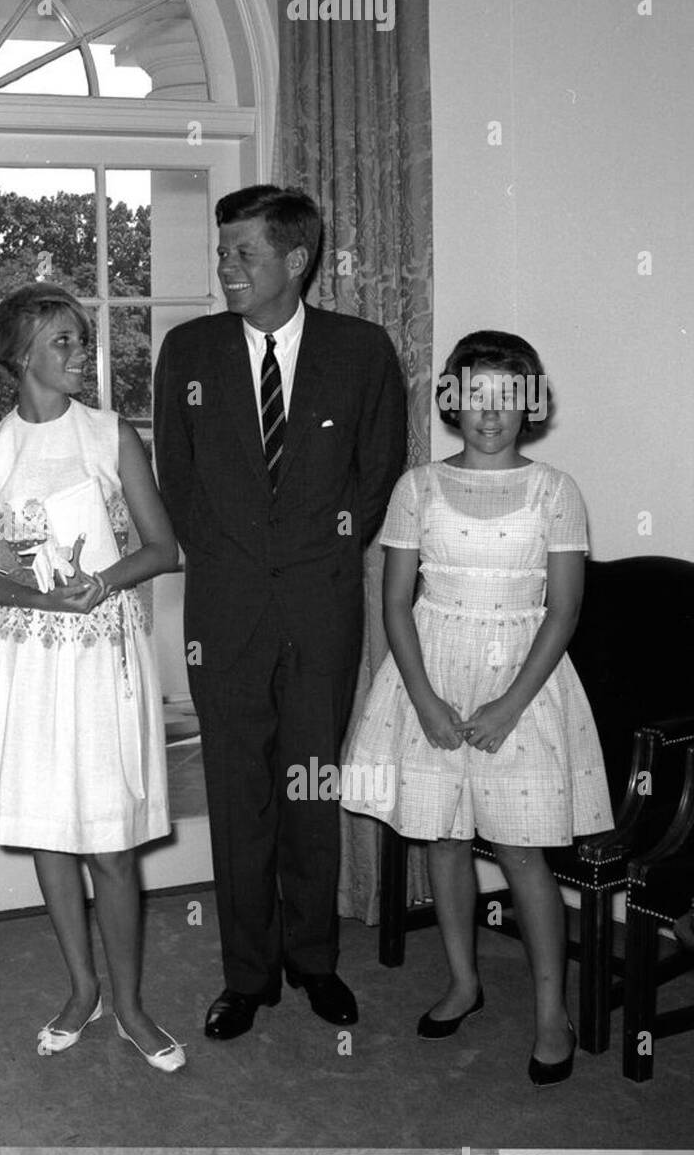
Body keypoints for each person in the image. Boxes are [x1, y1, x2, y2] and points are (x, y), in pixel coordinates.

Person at [153, 184, 406, 1039]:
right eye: (222, 253)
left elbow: (376, 479)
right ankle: (247, 973)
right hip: (224, 609)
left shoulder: (362, 350)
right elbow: (176, 483)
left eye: (242, 254)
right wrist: (232, 562)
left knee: (312, 784)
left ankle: (315, 959)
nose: (225, 269)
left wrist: (317, 554)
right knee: (237, 791)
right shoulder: (187, 350)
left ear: (295, 261)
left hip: (320, 605)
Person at [341, 331, 612, 1085]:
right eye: (474, 395)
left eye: (507, 395)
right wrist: (425, 700)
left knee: (524, 851)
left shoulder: (556, 491)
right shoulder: (417, 488)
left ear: (531, 403)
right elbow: (397, 603)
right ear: (453, 401)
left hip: (524, 682)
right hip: (429, 673)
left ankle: (552, 1012)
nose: (490, 412)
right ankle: (464, 980)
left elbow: (563, 611)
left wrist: (507, 707)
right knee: (445, 839)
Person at [0, 284, 184, 1070]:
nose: (81, 351)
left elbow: (164, 547)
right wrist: (35, 595)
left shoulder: (112, 435)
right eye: (63, 340)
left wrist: (104, 582)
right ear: (20, 356)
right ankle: (81, 988)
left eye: (82, 338)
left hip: (102, 662)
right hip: (27, 661)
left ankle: (129, 1004)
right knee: (52, 832)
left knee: (111, 841)